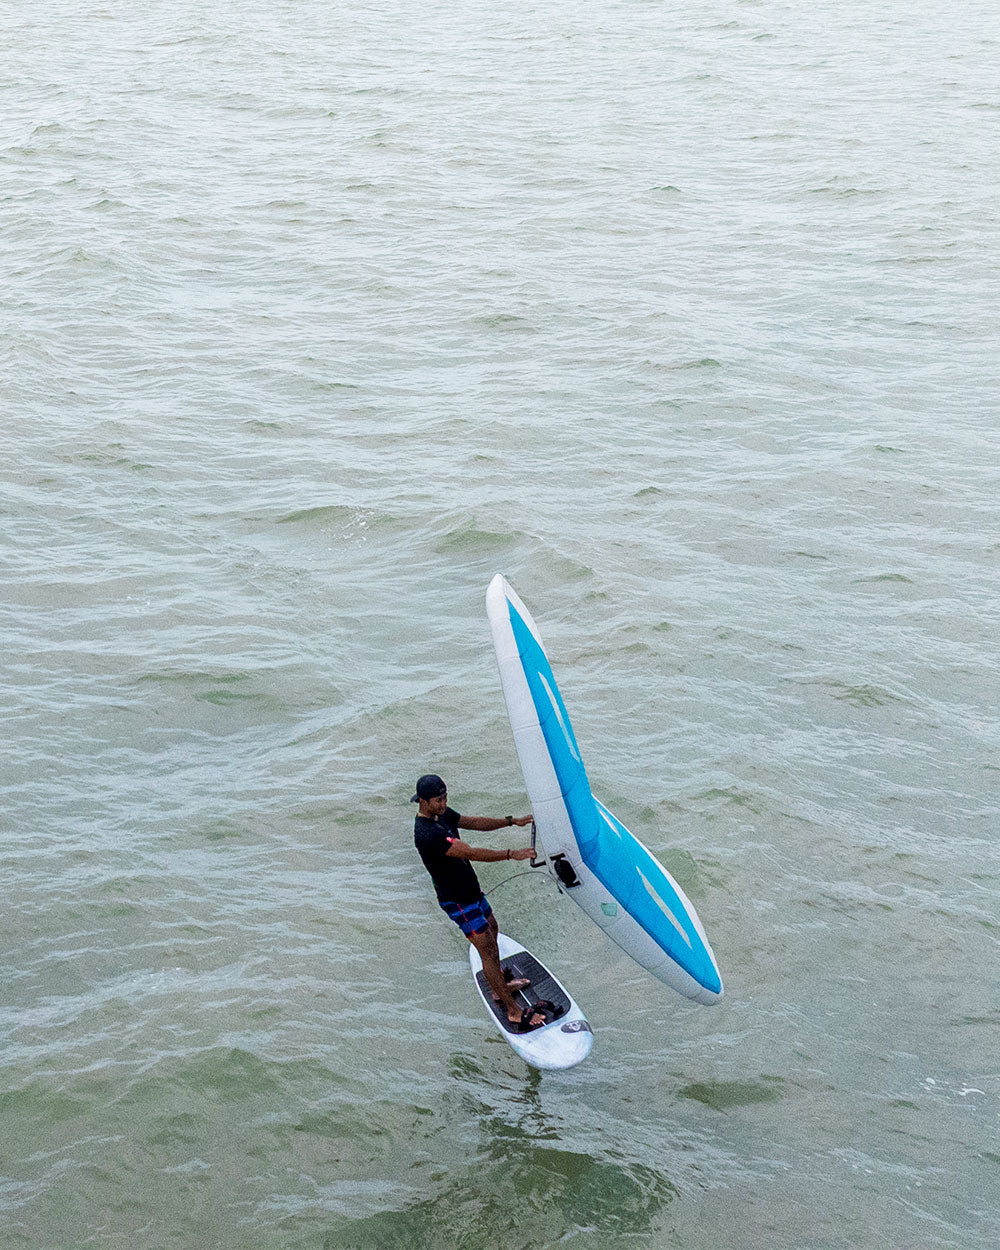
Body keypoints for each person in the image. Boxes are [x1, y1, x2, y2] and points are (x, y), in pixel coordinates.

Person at [411, 773, 547, 1031]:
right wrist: (511, 854)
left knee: (493, 928)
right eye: (438, 800)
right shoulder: (427, 833)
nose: (444, 803)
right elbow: (471, 852)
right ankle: (513, 1010)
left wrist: (511, 822)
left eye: (445, 798)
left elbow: (472, 822)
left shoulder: (442, 814)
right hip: (457, 900)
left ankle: (500, 987)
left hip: (471, 889)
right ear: (423, 801)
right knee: (484, 945)